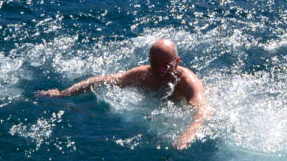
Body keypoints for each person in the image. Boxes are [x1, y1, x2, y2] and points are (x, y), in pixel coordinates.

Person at [38, 38, 211, 148]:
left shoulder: (187, 82)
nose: (159, 69)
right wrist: (64, 93)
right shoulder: (143, 74)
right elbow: (103, 80)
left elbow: (203, 111)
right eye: (154, 63)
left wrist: (187, 135)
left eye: (166, 64)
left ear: (177, 62)